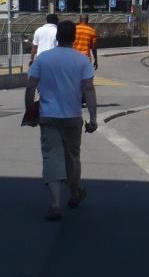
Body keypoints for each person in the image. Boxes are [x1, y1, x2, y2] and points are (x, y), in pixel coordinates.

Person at [24, 20, 98, 221]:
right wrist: (93, 118)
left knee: (51, 157)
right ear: (74, 37)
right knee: (72, 157)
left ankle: (55, 204)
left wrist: (29, 110)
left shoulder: (43, 59)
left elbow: (31, 86)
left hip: (48, 116)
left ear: (57, 37)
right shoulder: (82, 61)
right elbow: (89, 90)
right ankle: (74, 195)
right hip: (73, 117)